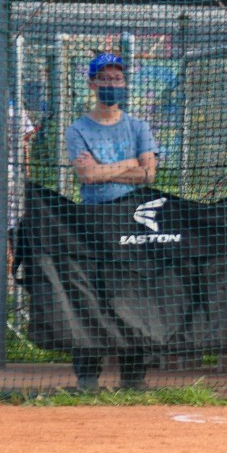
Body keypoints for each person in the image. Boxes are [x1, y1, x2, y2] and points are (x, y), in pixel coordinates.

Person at [64, 52, 158, 391]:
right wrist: (128, 164)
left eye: (117, 78)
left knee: (134, 296)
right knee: (91, 296)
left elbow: (148, 174)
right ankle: (88, 378)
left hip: (134, 220)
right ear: (92, 84)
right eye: (104, 78)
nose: (112, 84)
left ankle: (133, 378)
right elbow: (87, 176)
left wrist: (107, 170)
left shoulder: (138, 127)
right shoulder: (78, 129)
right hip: (94, 221)